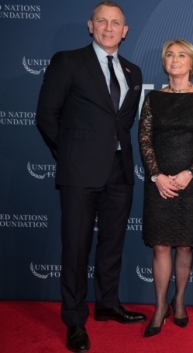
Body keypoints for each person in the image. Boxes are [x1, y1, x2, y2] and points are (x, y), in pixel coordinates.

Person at [35, 2, 146, 352]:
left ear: (125, 31)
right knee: (76, 246)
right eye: (102, 21)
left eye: (116, 23)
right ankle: (74, 319)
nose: (109, 27)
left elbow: (122, 122)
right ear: (91, 26)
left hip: (119, 170)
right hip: (80, 171)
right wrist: (70, 153)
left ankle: (108, 304)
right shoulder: (68, 61)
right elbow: (46, 115)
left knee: (112, 245)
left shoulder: (133, 70)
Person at [138, 39, 193, 338]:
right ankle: (159, 306)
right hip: (159, 184)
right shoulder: (153, 98)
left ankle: (179, 300)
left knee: (184, 244)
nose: (175, 59)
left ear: (192, 63)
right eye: (169, 54)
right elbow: (144, 140)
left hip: (191, 183)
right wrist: (157, 175)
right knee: (160, 245)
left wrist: (189, 173)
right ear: (164, 62)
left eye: (182, 55)